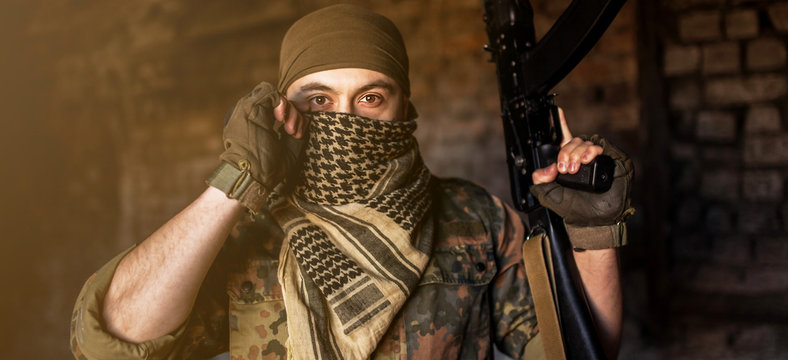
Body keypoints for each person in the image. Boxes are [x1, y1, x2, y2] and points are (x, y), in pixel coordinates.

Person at [70, 4, 633, 360]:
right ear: (283, 113)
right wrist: (233, 183)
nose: (345, 119)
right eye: (319, 100)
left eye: (370, 97)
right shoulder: (248, 229)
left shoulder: (473, 218)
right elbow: (115, 337)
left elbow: (579, 351)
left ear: (403, 107)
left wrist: (595, 234)